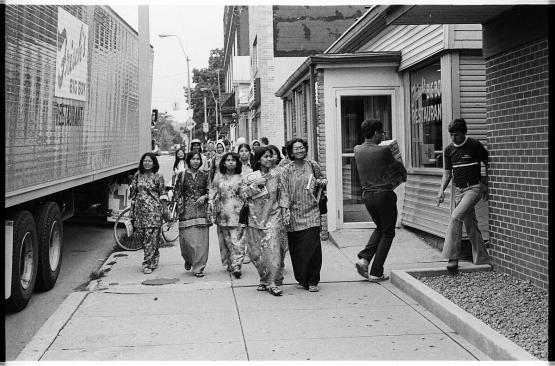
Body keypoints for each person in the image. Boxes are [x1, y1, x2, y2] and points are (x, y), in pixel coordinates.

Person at [354, 119, 407, 282]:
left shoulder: (357, 149)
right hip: (384, 194)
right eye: (382, 133)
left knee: (381, 227)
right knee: (388, 232)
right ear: (376, 133)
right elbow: (398, 167)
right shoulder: (383, 150)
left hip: (367, 196)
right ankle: (377, 271)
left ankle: (364, 259)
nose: (382, 136)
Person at [437, 118, 490, 270]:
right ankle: (482, 259)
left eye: (457, 135)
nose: (453, 138)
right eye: (451, 135)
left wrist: (486, 184)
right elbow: (447, 173)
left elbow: (488, 163)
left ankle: (453, 258)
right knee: (470, 224)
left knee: (455, 217)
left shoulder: (474, 145)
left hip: (473, 188)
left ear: (464, 133)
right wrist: (441, 191)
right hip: (459, 191)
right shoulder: (448, 150)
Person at [281, 138, 326, 292]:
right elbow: (284, 192)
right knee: (297, 248)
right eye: (296, 149)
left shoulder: (313, 165)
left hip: (312, 211)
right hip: (294, 213)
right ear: (291, 152)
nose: (300, 150)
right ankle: (302, 278)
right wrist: (285, 211)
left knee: (312, 247)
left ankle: (313, 280)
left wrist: (322, 182)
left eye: (302, 148)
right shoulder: (286, 170)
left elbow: (322, 179)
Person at [241, 147, 287, 296]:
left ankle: (272, 282)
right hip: (254, 218)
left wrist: (286, 212)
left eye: (271, 156)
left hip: (273, 217)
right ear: (259, 159)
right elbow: (242, 194)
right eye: (266, 157)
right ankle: (264, 278)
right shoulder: (250, 176)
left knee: (273, 250)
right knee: (256, 253)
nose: (270, 159)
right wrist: (256, 185)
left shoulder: (278, 174)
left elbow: (284, 194)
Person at [172, 151, 211, 277]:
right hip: (186, 212)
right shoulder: (182, 175)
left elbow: (210, 191)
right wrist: (175, 207)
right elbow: (176, 192)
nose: (195, 161)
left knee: (201, 242)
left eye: (198, 159)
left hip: (201, 211)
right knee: (186, 241)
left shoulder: (205, 175)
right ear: (188, 160)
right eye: (193, 159)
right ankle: (189, 259)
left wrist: (205, 197)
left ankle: (198, 267)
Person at [129, 153, 169, 274]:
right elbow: (133, 193)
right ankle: (154, 258)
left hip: (154, 212)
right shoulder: (137, 175)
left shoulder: (158, 177)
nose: (147, 163)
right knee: (144, 237)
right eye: (145, 161)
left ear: (154, 163)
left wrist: (165, 210)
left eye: (149, 161)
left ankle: (147, 264)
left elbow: (163, 194)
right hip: (140, 212)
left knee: (150, 238)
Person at [209, 152, 245, 278]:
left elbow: (246, 194)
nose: (230, 162)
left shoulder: (241, 177)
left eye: (233, 160)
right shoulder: (218, 177)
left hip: (238, 214)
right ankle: (230, 262)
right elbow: (212, 191)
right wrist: (210, 202)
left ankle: (237, 266)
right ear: (223, 163)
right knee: (226, 241)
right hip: (223, 214)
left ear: (237, 162)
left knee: (237, 241)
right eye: (228, 160)